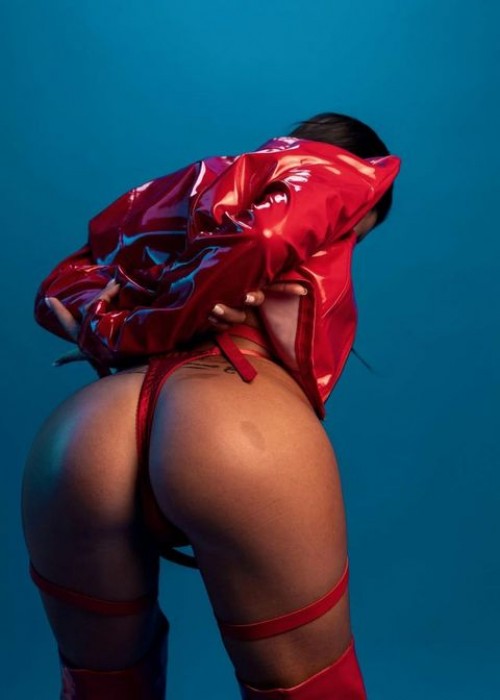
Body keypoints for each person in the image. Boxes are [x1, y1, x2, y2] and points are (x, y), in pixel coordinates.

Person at [21, 113, 401, 699]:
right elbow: (266, 240)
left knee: (101, 687)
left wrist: (118, 326)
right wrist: (176, 315)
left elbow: (67, 282)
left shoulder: (199, 194)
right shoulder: (341, 176)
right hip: (239, 420)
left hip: (85, 432)